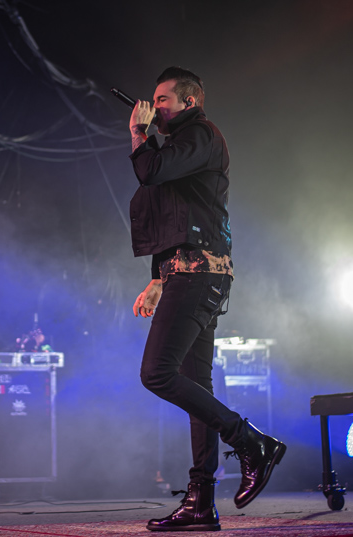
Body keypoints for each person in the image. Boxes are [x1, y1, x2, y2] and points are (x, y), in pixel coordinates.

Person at [128, 67, 286, 531]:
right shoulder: (179, 148)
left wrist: (139, 133)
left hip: (202, 276)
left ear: (190, 100)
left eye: (163, 100)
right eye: (153, 101)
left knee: (156, 373)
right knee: (196, 388)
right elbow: (171, 218)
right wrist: (158, 278)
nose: (155, 107)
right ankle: (200, 500)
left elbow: (151, 170)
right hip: (187, 274)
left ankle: (251, 441)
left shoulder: (201, 135)